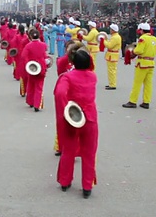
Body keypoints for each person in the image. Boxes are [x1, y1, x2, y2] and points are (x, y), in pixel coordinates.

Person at [54, 48, 98, 199]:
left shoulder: (67, 77)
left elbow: (60, 93)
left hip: (74, 117)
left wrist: (65, 110)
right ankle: (87, 186)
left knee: (69, 151)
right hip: (90, 117)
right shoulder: (93, 77)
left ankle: (65, 182)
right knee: (89, 153)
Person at [122, 23, 156, 109]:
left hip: (142, 63)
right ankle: (146, 101)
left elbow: (139, 50)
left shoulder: (143, 38)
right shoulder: (155, 39)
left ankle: (133, 101)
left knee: (137, 83)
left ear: (141, 30)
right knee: (148, 84)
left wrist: (132, 51)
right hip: (151, 63)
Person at [21, 28, 48, 111]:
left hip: (32, 67)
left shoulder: (28, 45)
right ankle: (37, 104)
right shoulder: (43, 45)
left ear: (30, 36)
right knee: (39, 87)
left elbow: (23, 56)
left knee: (31, 84)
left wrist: (27, 64)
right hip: (41, 67)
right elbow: (45, 56)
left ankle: (30, 101)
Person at [104, 24, 122, 91]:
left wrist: (104, 41)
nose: (110, 30)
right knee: (111, 70)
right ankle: (111, 83)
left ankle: (112, 84)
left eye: (111, 29)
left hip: (112, 55)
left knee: (111, 70)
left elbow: (109, 45)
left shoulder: (115, 37)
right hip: (112, 54)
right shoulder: (115, 36)